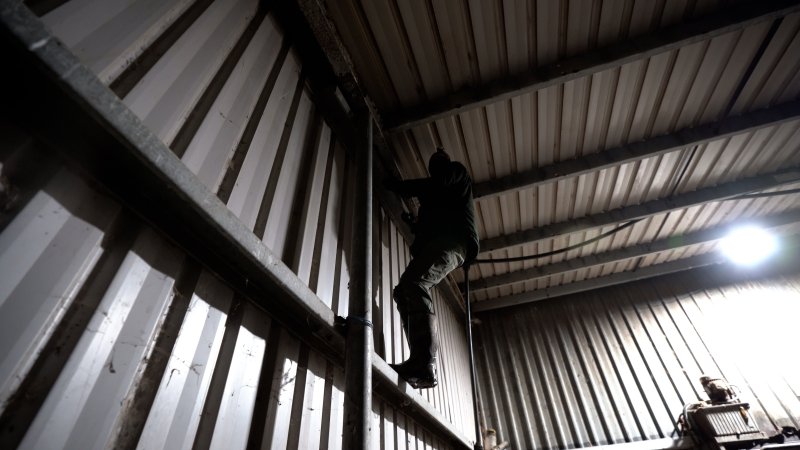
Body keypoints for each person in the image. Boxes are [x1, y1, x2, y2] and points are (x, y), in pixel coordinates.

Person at [384, 148, 479, 388]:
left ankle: (425, 363)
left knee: (416, 283)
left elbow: (436, 184)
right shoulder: (431, 202)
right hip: (439, 242)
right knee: (402, 290)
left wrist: (397, 186)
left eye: (439, 163)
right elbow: (425, 231)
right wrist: (415, 226)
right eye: (434, 164)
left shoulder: (456, 173)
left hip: (455, 242)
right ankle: (417, 358)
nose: (437, 168)